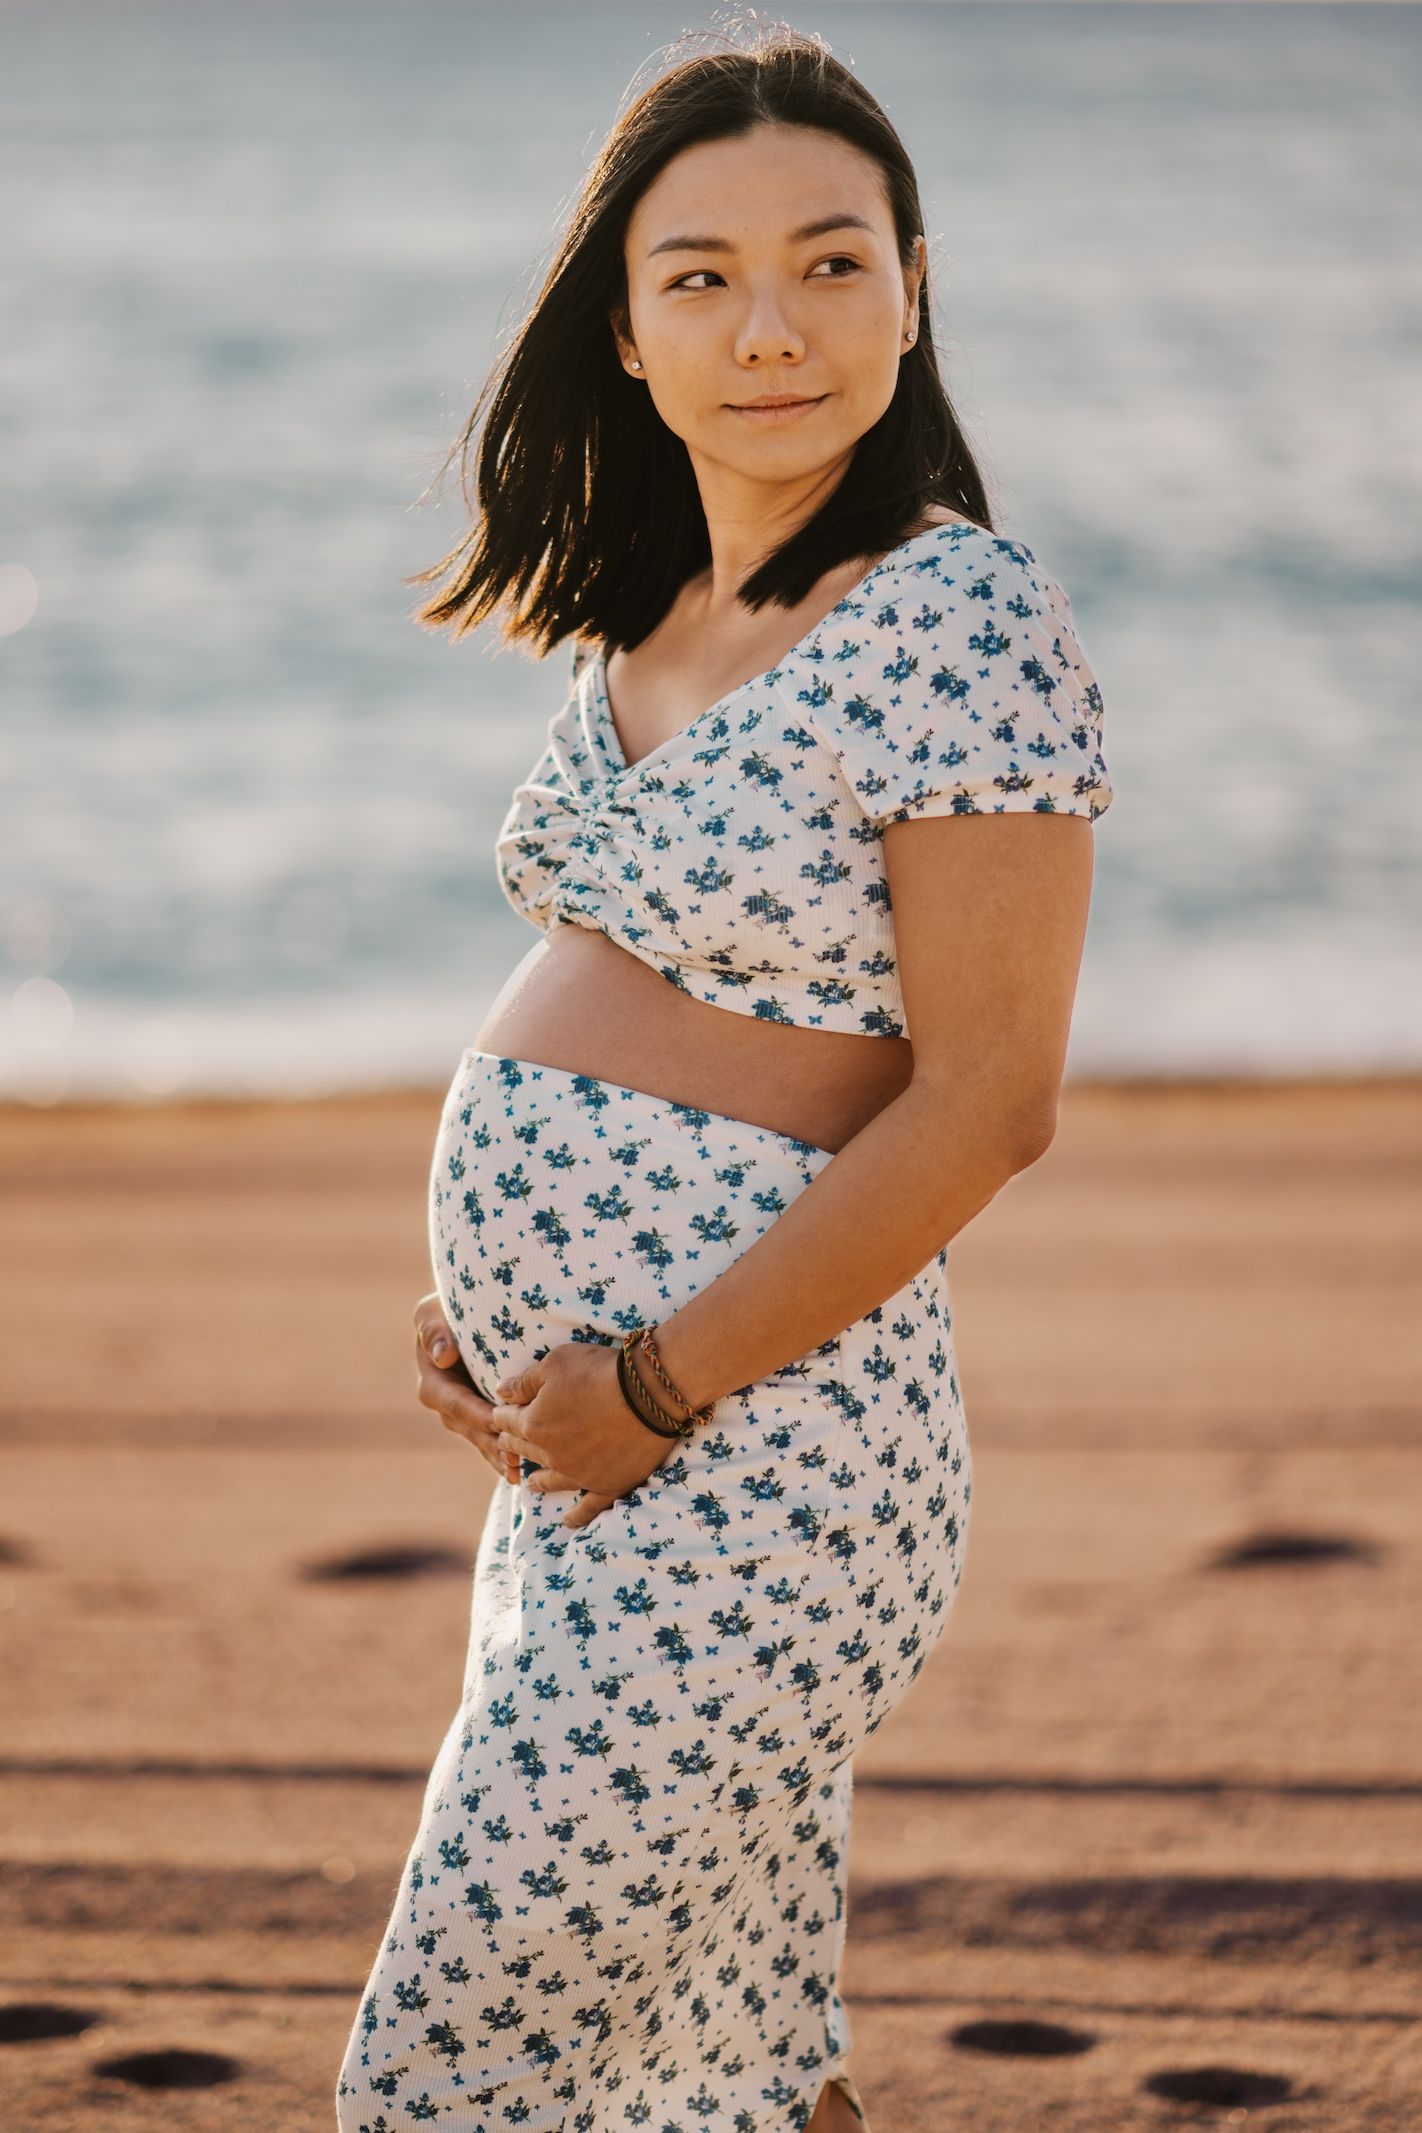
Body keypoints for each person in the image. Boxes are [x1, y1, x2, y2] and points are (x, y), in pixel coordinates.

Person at [336, 24, 1112, 2133]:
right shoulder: (658, 610)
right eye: (701, 276)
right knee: (722, 2072)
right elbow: (664, 1006)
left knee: (447, 2071)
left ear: (912, 290)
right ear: (625, 324)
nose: (771, 327)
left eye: (831, 262)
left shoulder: (960, 613)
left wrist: (657, 1379)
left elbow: (990, 1099)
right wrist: (501, 1322)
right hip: (597, 1463)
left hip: (763, 1476)